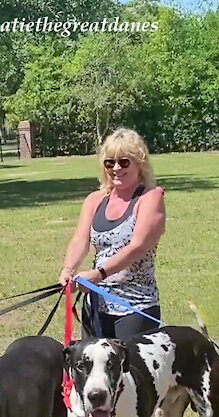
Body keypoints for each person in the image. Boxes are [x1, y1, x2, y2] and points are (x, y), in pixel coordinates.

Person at [58, 127, 166, 340]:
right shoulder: (94, 200)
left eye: (124, 162)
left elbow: (138, 246)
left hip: (135, 307)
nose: (116, 168)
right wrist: (68, 270)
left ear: (139, 163)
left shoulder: (150, 198)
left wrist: (99, 274)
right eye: (110, 162)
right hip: (96, 305)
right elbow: (81, 239)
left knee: (129, 373)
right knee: (91, 373)